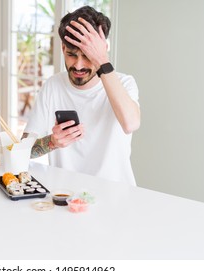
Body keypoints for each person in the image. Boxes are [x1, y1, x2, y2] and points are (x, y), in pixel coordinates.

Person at [22, 5, 140, 185]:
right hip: (66, 196)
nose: (78, 66)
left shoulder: (124, 83)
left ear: (103, 49)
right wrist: (52, 142)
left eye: (87, 56)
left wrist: (102, 61)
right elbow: (24, 150)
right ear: (62, 48)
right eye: (71, 54)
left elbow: (131, 124)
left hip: (115, 195)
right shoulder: (53, 86)